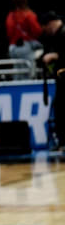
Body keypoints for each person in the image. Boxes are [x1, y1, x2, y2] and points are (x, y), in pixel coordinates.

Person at [39, 11, 65, 149]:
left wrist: (56, 56)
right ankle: (62, 141)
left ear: (49, 24)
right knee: (59, 109)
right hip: (61, 79)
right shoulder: (56, 37)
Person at [6, 0, 42, 77]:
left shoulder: (10, 16)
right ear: (25, 1)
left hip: (13, 48)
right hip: (26, 48)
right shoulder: (30, 15)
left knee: (17, 72)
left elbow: (9, 33)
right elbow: (38, 31)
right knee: (29, 74)